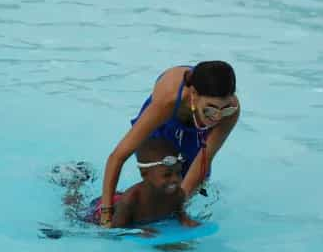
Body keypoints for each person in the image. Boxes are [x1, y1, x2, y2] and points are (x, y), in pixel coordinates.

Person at [100, 61, 240, 226]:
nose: (217, 118)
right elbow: (117, 157)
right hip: (164, 122)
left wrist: (177, 209)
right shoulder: (169, 99)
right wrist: (106, 214)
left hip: (194, 128)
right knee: (158, 178)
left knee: (179, 187)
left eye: (224, 109)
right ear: (194, 93)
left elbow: (205, 157)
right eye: (210, 109)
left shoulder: (231, 111)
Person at [86, 138, 199, 229]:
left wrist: (185, 220)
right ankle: (75, 182)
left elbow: (179, 211)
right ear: (144, 174)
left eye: (178, 173)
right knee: (75, 210)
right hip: (102, 208)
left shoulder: (178, 193)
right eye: (167, 175)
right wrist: (137, 231)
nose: (175, 179)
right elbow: (115, 229)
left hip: (123, 197)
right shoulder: (131, 200)